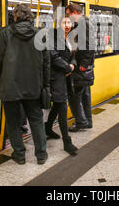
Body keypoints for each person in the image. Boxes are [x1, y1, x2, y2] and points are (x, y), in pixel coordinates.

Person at [0, 4, 50, 165]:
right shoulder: (39, 34)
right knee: (36, 120)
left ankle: (20, 155)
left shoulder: (5, 34)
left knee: (12, 121)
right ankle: (41, 154)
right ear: (30, 17)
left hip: (9, 87)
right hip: (33, 86)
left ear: (15, 17)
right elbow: (46, 64)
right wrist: (45, 85)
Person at [45, 17, 78, 155]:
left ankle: (47, 128)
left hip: (65, 77)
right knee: (62, 106)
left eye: (69, 22)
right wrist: (68, 68)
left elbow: (74, 55)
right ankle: (67, 142)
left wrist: (73, 65)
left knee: (58, 105)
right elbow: (54, 57)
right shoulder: (52, 37)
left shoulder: (70, 38)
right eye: (64, 22)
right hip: (56, 78)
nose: (67, 25)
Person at [65, 4, 96, 132]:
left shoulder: (84, 24)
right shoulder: (83, 23)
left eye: (69, 14)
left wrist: (83, 65)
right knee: (85, 96)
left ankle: (81, 122)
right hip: (84, 66)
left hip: (82, 67)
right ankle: (87, 121)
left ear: (75, 12)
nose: (68, 17)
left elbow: (89, 45)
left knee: (74, 96)